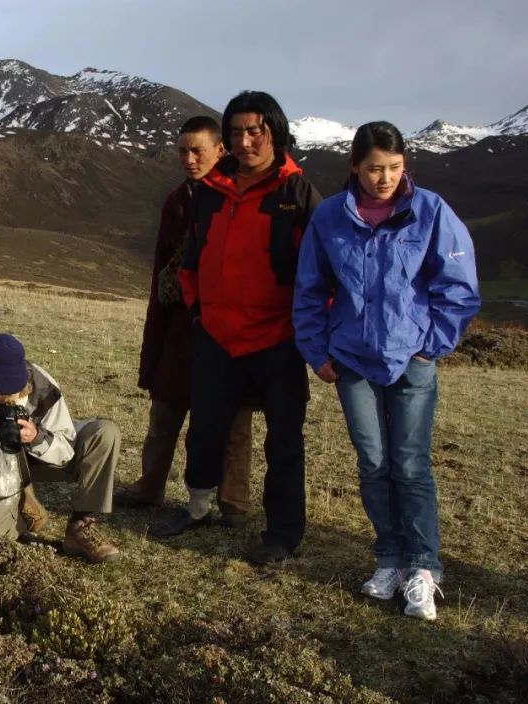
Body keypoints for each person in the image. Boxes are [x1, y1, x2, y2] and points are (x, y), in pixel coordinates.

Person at [294, 121, 479, 620]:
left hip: (410, 360)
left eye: (395, 168)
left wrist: (431, 346)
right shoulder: (330, 217)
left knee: (410, 463)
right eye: (375, 168)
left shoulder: (430, 211)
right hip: (352, 360)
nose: (385, 178)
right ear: (354, 165)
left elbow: (458, 286)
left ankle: (423, 568)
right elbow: (309, 288)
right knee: (373, 463)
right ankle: (390, 558)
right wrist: (318, 352)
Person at [172, 91, 322, 564]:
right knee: (206, 429)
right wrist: (198, 311)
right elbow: (192, 258)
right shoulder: (211, 192)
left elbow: (321, 271)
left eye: (254, 130)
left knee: (284, 440)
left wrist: (309, 329)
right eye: (235, 131)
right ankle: (196, 509)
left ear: (274, 131)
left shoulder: (297, 194)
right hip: (216, 334)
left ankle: (282, 533)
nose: (244, 140)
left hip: (277, 340)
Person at [119, 115, 254, 530]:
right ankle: (149, 487)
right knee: (165, 413)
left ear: (220, 150)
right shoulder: (177, 199)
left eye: (197, 150)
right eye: (182, 150)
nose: (189, 158)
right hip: (180, 326)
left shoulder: (240, 196)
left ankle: (234, 502)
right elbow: (162, 263)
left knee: (233, 420)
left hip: (229, 325)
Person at [0, 333, 122, 563]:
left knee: (104, 433)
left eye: (10, 402)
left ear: (24, 386)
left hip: (38, 457)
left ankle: (81, 525)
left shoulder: (43, 386)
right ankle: (17, 505)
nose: (2, 410)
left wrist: (37, 437)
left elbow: (66, 449)